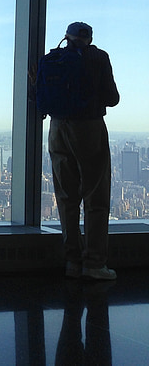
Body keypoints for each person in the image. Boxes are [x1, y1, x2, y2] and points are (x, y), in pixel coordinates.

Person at [45, 22, 119, 280]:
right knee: (95, 196)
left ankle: (73, 262)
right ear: (89, 39)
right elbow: (112, 98)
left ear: (66, 37)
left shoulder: (53, 59)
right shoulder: (98, 57)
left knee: (66, 196)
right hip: (89, 128)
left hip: (57, 128)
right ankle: (94, 263)